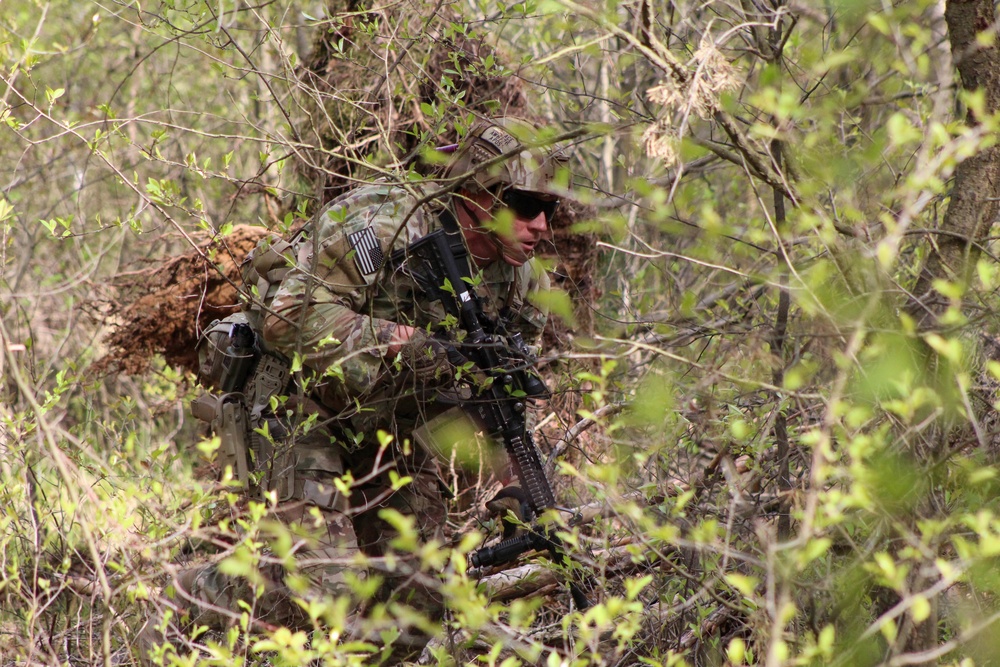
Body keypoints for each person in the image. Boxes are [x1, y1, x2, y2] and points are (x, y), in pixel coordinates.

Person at [137, 116, 568, 664]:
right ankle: (193, 596)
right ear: (478, 196)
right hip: (299, 402)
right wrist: (395, 341)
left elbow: (496, 392)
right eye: (527, 206)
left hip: (395, 422)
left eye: (549, 210)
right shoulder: (389, 223)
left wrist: (515, 480)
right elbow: (286, 315)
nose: (541, 226)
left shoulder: (520, 279)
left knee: (420, 593)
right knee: (312, 584)